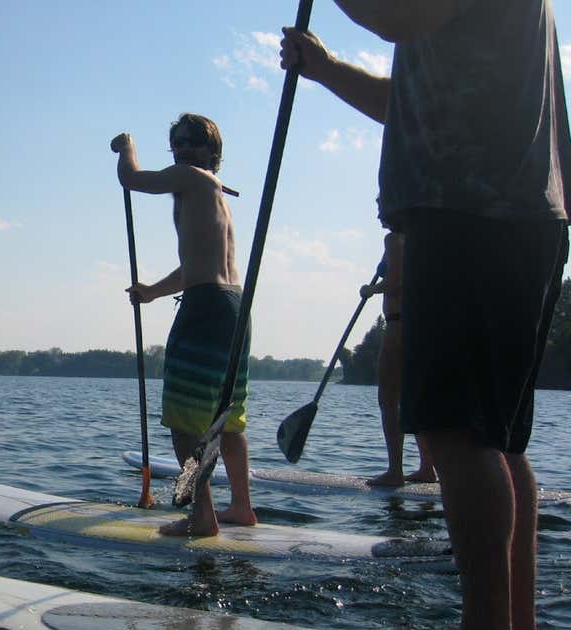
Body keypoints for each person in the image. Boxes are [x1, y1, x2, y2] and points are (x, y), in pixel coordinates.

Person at [281, 3, 569, 628]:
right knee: (497, 440)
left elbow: (400, 15)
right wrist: (326, 69)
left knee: (457, 436)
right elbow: (407, 102)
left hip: (470, 210)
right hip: (515, 212)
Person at [110, 113, 255, 537]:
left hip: (207, 308)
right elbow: (196, 266)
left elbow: (132, 179)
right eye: (177, 142)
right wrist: (153, 292)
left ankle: (201, 516)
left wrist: (125, 148)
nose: (183, 148)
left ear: (213, 152)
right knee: (225, 417)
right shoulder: (210, 193)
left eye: (193, 141)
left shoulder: (191, 178)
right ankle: (242, 508)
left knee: (184, 423)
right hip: (233, 308)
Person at [360, 226, 436, 486]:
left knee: (389, 399)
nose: (379, 208)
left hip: (398, 324)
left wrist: (371, 290)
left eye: (381, 202)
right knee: (414, 397)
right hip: (419, 325)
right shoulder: (424, 234)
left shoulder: (395, 238)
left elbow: (397, 281)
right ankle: (427, 467)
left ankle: (395, 471)